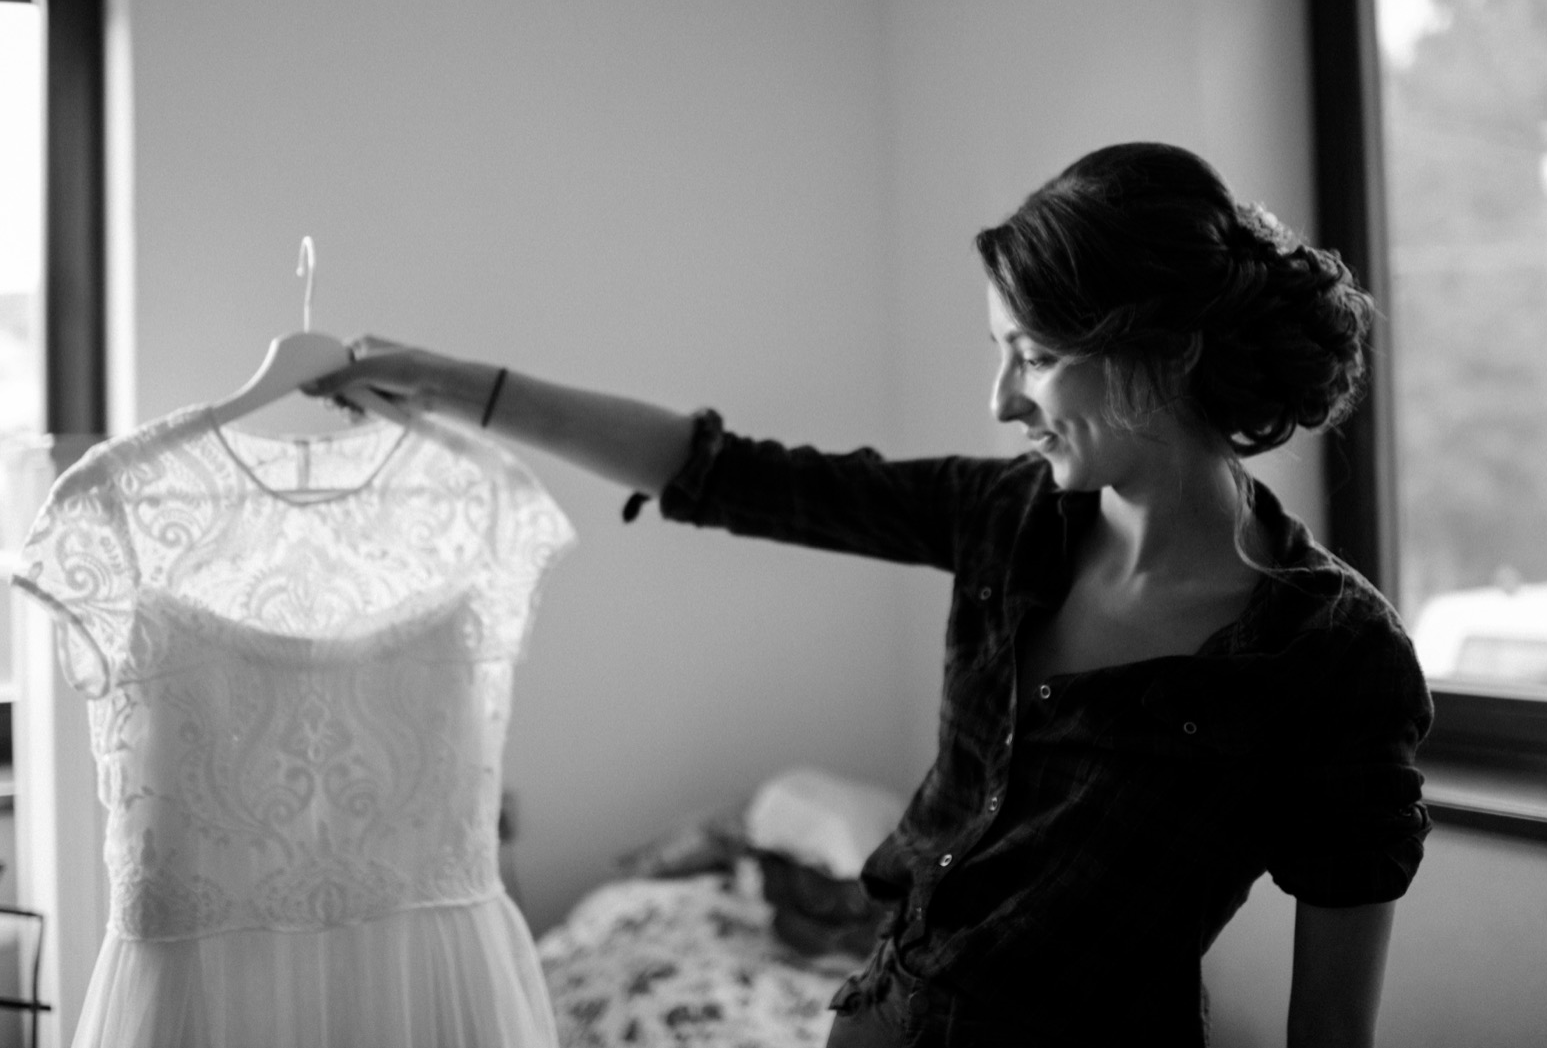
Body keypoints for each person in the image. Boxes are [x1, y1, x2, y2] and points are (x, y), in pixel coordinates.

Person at [311, 141, 1433, 1048]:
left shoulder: (1333, 658)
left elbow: (1332, 1029)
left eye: (1033, 355)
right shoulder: (1006, 520)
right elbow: (727, 473)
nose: (1002, 400)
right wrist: (451, 383)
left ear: (1158, 355)